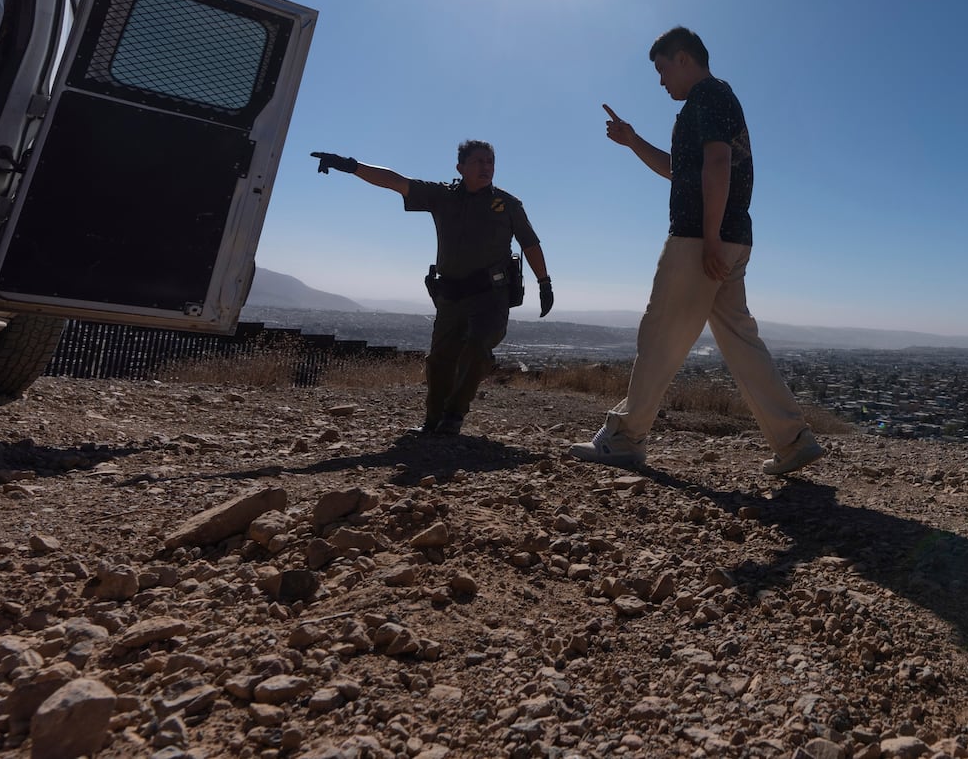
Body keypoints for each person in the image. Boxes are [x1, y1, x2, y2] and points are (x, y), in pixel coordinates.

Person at [568, 26, 825, 476]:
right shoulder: (714, 101)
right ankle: (793, 439)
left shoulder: (707, 98)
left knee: (659, 335)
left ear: (684, 58)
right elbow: (678, 169)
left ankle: (626, 438)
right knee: (740, 340)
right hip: (731, 237)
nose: (661, 80)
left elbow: (718, 164)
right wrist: (632, 141)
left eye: (663, 68)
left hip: (699, 240)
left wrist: (708, 238)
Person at [310, 141, 553, 436]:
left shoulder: (507, 204)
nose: (486, 167)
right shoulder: (442, 196)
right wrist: (349, 165)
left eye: (490, 161)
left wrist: (544, 282)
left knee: (478, 348)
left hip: (491, 294)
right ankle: (433, 419)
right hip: (450, 294)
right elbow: (396, 181)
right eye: (478, 161)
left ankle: (454, 414)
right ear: (460, 168)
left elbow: (530, 243)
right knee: (440, 359)